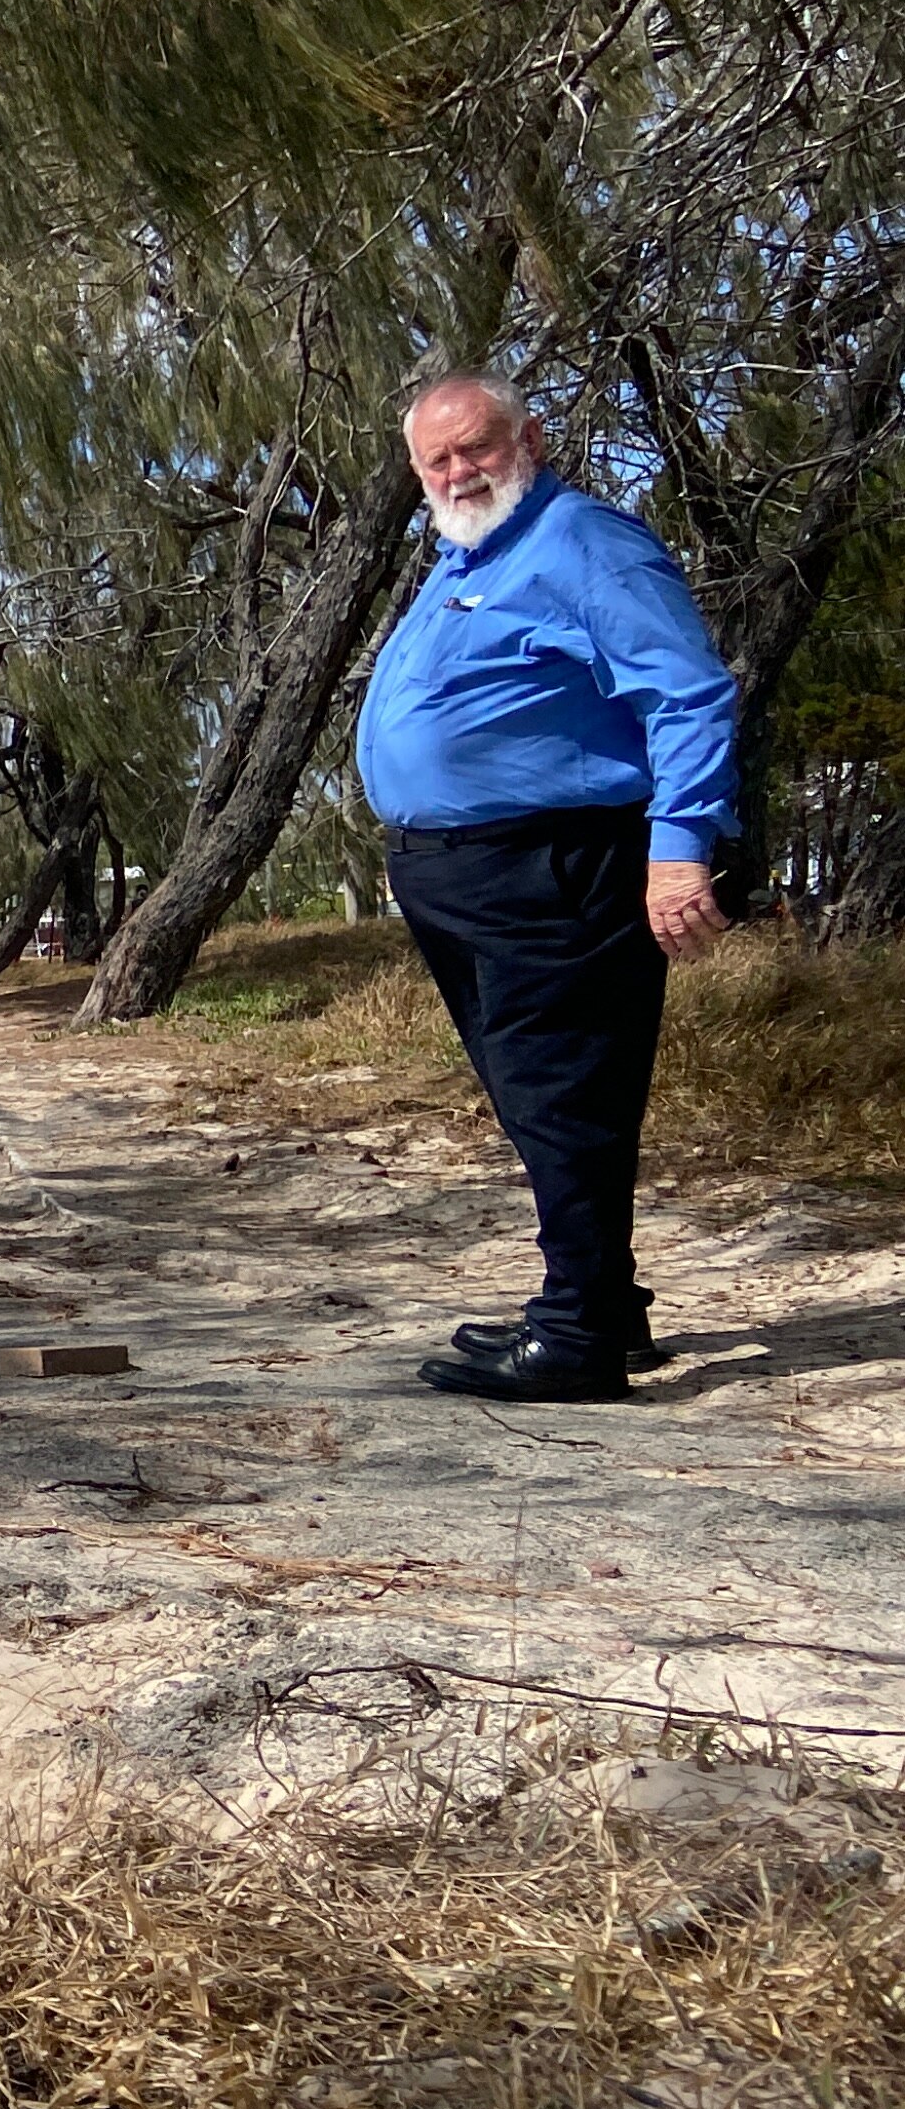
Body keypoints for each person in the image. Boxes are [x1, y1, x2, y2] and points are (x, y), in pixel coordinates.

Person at [353, 370, 740, 1403]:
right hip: (468, 877)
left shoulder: (582, 542)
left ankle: (576, 1337)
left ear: (530, 435)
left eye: (474, 447)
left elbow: (687, 691)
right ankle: (602, 1304)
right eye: (435, 460)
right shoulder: (464, 556)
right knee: (534, 1098)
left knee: (565, 1095)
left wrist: (679, 848)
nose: (457, 471)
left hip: (557, 866)